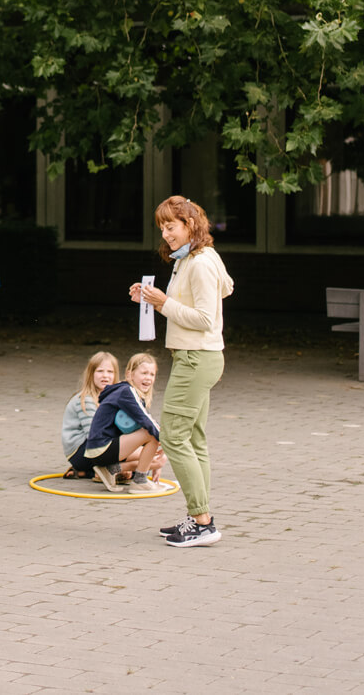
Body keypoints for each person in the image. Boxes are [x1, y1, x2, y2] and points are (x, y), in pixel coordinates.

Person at [131, 195, 234, 548]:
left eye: (170, 226)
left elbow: (205, 319)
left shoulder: (200, 262)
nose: (166, 233)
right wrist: (153, 298)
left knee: (174, 437)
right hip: (198, 358)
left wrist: (163, 303)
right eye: (162, 227)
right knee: (195, 439)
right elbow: (228, 286)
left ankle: (203, 522)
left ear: (189, 224)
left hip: (196, 359)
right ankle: (199, 518)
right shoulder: (195, 257)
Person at [81, 353, 167, 495]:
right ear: (130, 374)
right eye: (144, 373)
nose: (148, 378)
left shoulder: (130, 393)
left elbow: (147, 421)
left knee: (158, 457)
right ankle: (140, 481)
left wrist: (160, 443)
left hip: (103, 448)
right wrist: (164, 441)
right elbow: (147, 422)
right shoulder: (126, 391)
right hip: (101, 447)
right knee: (150, 434)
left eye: (152, 374)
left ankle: (111, 469)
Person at [60, 351, 120, 481]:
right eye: (100, 371)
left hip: (96, 447)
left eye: (110, 372)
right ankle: (106, 471)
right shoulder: (86, 399)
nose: (105, 376)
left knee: (133, 446)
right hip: (80, 453)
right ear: (91, 374)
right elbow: (94, 436)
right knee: (126, 447)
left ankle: (89, 473)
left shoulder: (113, 398)